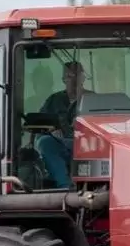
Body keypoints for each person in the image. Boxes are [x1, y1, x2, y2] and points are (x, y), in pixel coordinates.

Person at [36, 61, 92, 189]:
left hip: (86, 145)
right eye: (69, 76)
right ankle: (65, 187)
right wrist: (50, 131)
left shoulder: (93, 99)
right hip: (59, 145)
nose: (72, 80)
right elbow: (39, 123)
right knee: (44, 142)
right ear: (63, 79)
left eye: (76, 75)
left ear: (83, 77)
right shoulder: (53, 101)